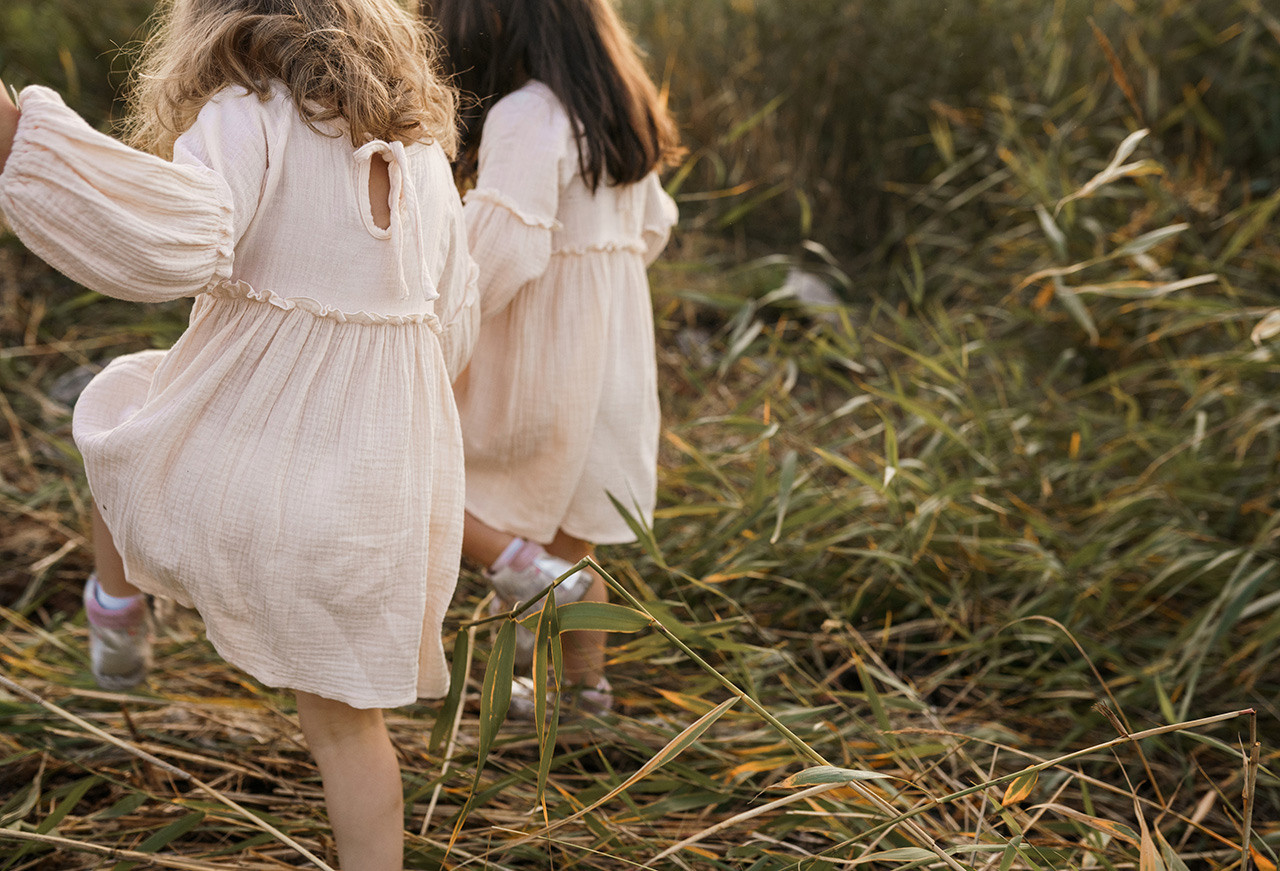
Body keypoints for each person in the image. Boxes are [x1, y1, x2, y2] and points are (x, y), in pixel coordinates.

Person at [0, 0, 478, 867]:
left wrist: (24, 144)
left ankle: (116, 614)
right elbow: (459, 318)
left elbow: (177, 232)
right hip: (378, 487)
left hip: (256, 471)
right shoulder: (423, 160)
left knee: (122, 417)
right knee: (346, 728)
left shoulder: (247, 115)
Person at [425, 0, 682, 716]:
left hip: (540, 369)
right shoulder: (619, 106)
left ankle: (516, 572)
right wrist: (599, 293)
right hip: (614, 367)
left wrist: (434, 321)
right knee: (572, 547)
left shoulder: (526, 117)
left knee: (436, 484)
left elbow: (502, 251)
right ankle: (583, 696)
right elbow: (656, 226)